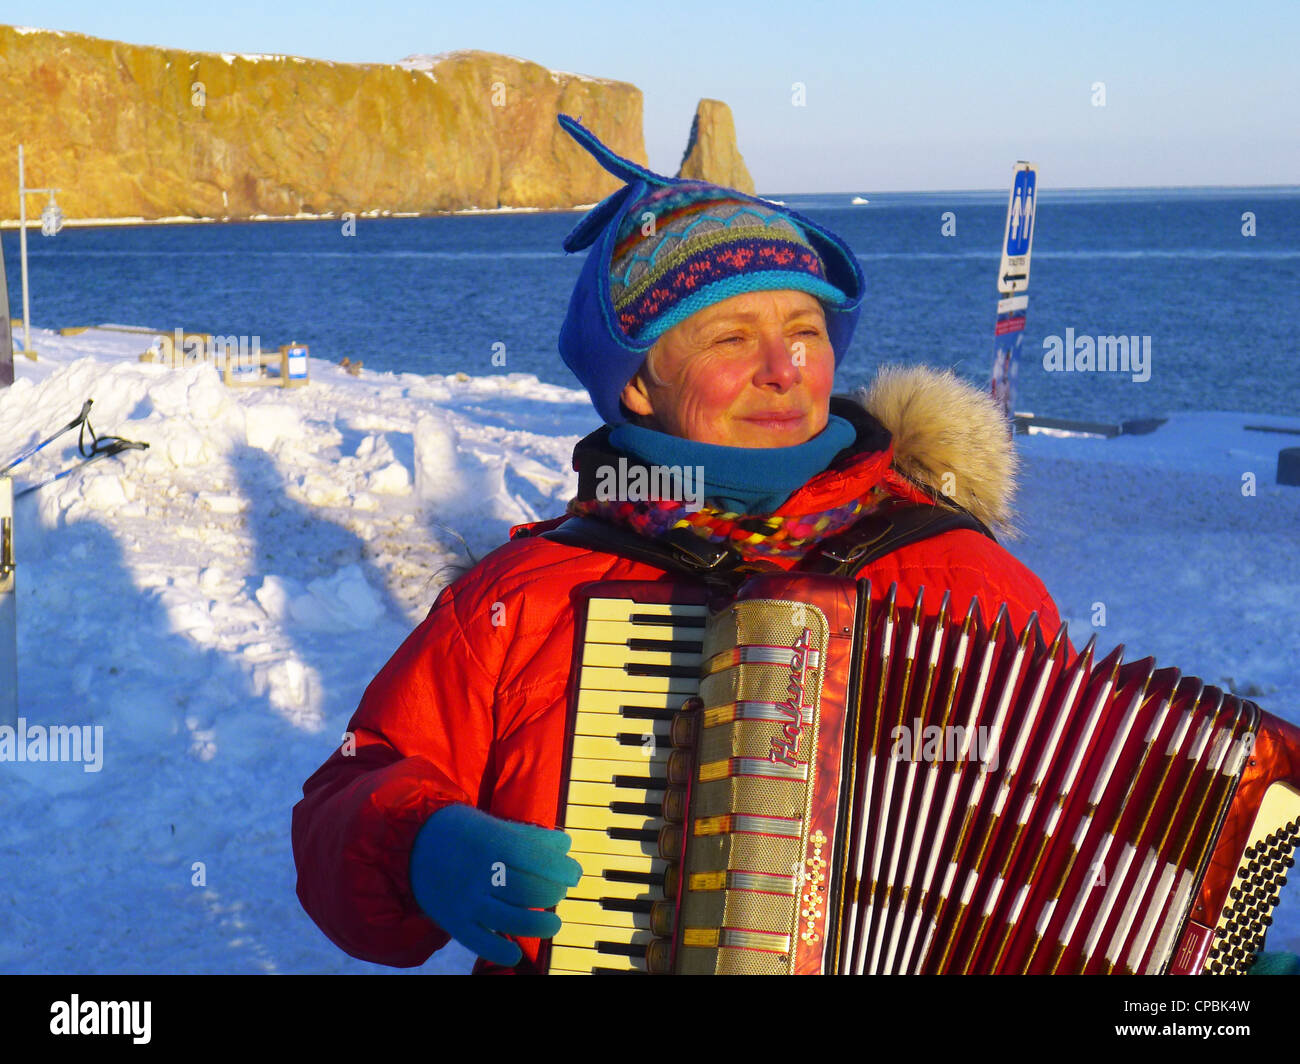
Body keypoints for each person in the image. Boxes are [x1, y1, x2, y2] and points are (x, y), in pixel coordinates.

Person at [291, 115, 1292, 975]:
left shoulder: (964, 574)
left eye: (804, 329)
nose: (783, 367)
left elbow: (1063, 855)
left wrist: (1188, 960)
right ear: (637, 382)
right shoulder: (525, 595)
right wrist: (417, 840)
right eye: (729, 336)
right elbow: (350, 792)